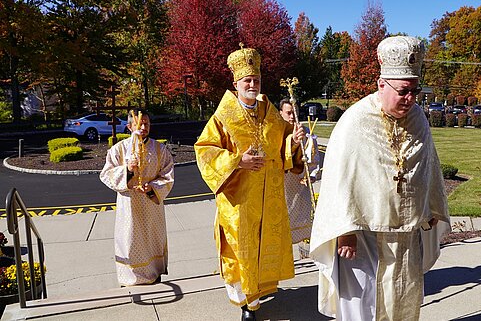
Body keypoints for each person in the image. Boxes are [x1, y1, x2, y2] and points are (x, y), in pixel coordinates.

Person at [309, 36, 451, 321]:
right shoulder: (355, 121)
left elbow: (428, 164)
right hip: (363, 234)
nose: (410, 99)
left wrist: (431, 206)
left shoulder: (418, 118)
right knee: (365, 305)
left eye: (415, 91)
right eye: (403, 91)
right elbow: (340, 179)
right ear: (381, 84)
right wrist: (344, 231)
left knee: (403, 297)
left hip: (407, 236)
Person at [195, 45, 305, 321]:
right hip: (239, 199)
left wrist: (295, 140)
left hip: (268, 198)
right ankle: (247, 304)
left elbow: (284, 148)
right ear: (236, 84)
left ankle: (257, 294)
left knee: (263, 247)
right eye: (247, 81)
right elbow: (205, 149)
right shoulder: (223, 116)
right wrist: (236, 161)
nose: (252, 85)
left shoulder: (271, 114)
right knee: (242, 251)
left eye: (256, 80)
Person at [100, 109, 174, 287]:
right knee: (130, 239)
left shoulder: (159, 149)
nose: (143, 127)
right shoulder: (119, 149)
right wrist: (127, 170)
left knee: (152, 239)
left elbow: (168, 174)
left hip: (151, 204)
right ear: (129, 126)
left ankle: (155, 274)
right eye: (139, 123)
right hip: (129, 204)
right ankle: (131, 279)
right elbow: (106, 174)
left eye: (146, 123)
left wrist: (152, 187)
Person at [279, 98, 320, 244]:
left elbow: (314, 158)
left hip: (301, 186)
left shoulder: (307, 131)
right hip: (283, 186)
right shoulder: (278, 132)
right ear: (281, 113)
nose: (292, 116)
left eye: (294, 113)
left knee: (303, 223)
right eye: (288, 113)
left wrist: (312, 175)